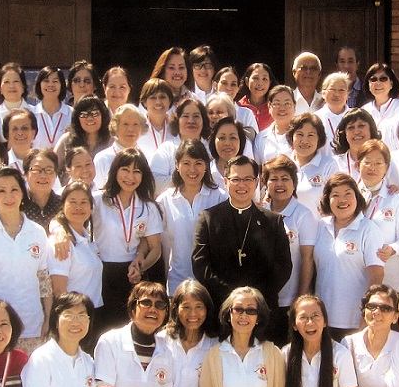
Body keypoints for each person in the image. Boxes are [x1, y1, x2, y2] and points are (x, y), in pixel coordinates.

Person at [191, 155, 292, 312]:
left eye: (248, 179)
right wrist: (231, 297)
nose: (242, 185)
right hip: (221, 306)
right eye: (236, 179)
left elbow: (283, 267)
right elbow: (200, 265)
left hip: (262, 308)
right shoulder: (209, 219)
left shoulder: (273, 221)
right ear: (226, 182)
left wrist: (253, 299)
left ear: (256, 182)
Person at [0, 166, 53, 352]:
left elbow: (44, 280)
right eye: (1, 191)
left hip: (33, 324)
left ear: (23, 193)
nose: (8, 196)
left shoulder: (37, 232)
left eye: (14, 189)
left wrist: (49, 318)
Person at [92, 149, 163, 330]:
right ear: (115, 171)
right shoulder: (98, 200)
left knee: (129, 328)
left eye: (136, 171)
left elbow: (155, 249)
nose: (130, 177)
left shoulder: (148, 207)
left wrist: (140, 267)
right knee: (101, 329)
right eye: (125, 170)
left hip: (131, 274)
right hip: (100, 273)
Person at [314, 173, 384, 338]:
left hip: (354, 321)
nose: (342, 200)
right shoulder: (321, 226)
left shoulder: (368, 229)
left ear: (357, 197)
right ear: (327, 200)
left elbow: (377, 276)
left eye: (348, 194)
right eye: (335, 195)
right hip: (322, 319)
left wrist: (365, 317)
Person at [261, 156, 318, 344]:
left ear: (294, 183)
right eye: (274, 179)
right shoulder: (259, 212)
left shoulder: (303, 215)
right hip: (263, 298)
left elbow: (307, 259)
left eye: (285, 178)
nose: (279, 184)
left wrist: (300, 298)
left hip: (289, 299)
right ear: (265, 183)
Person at [159, 139, 225, 293]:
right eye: (186, 163)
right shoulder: (164, 201)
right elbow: (162, 247)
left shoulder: (220, 197)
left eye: (198, 163)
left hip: (210, 284)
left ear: (206, 165)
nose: (192, 170)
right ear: (177, 165)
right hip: (177, 283)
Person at [355, 139, 399, 291]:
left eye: (378, 163)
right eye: (367, 162)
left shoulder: (396, 198)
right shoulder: (350, 195)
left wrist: (392, 249)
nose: (372, 167)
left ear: (386, 168)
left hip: (389, 278)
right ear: (358, 164)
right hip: (356, 274)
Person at [48, 181, 103, 321]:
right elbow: (59, 290)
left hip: (94, 313)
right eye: (72, 202)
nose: (78, 207)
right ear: (62, 206)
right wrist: (72, 318)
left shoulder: (88, 238)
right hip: (75, 316)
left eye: (84, 202)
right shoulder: (61, 242)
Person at [149, 97, 212, 188]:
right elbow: (154, 182)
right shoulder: (167, 149)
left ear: (203, 121)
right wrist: (189, 181)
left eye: (196, 116)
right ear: (177, 120)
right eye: (185, 116)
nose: (191, 121)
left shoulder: (212, 148)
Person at [93, 105, 147, 189]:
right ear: (115, 127)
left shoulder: (146, 156)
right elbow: (96, 191)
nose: (130, 129)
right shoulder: (102, 159)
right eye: (125, 124)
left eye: (135, 124)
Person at [54, 96, 112, 173]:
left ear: (103, 116)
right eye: (84, 114)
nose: (90, 118)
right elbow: (52, 167)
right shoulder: (67, 139)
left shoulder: (113, 140)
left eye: (95, 113)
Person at [361, 62, 399, 145]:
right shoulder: (364, 110)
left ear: (391, 83)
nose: (378, 83)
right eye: (373, 79)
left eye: (383, 79)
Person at [331, 108, 380, 181]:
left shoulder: (384, 161)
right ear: (345, 134)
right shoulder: (334, 164)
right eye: (351, 127)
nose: (356, 132)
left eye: (361, 126)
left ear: (371, 129)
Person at [32, 65, 74, 151]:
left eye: (55, 81)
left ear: (62, 85)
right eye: (46, 81)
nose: (50, 85)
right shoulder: (31, 114)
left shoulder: (72, 114)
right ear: (39, 84)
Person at [256, 84, 297, 166]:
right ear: (269, 106)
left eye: (287, 103)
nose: (282, 108)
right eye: (277, 104)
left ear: (294, 106)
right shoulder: (260, 138)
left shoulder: (302, 134)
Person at [21, 148, 63, 227]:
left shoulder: (63, 205)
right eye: (36, 170)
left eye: (48, 170)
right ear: (26, 174)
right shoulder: (18, 204)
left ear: (56, 174)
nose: (43, 176)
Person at [137, 78, 176, 160]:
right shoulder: (136, 128)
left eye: (162, 97)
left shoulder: (177, 127)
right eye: (153, 98)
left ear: (170, 101)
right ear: (144, 102)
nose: (158, 102)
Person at [205, 116, 249, 190]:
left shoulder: (249, 171)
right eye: (222, 138)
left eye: (233, 138)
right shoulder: (205, 172)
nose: (227, 143)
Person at [0, 62, 29, 136]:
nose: (11, 86)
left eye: (16, 81)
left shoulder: (36, 114)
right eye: (6, 82)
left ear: (23, 86)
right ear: (0, 88)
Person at [317, 72, 352, 152]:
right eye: (332, 90)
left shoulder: (356, 117)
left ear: (347, 94)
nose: (337, 94)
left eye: (341, 90)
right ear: (323, 93)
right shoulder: (316, 118)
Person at [236, 62, 274, 131]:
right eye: (255, 78)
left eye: (264, 79)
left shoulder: (275, 107)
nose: (260, 83)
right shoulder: (238, 107)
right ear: (247, 81)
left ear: (270, 83)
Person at [1, 107, 38, 171]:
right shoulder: (1, 162)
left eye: (25, 128)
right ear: (7, 134)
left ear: (33, 133)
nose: (20, 133)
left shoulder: (44, 160)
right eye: (14, 129)